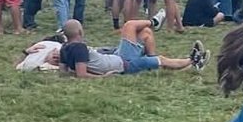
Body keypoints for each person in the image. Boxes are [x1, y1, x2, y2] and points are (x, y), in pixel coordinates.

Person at [57, 18, 207, 77]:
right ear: (80, 32)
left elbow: (64, 72)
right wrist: (103, 77)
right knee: (130, 25)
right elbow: (82, 74)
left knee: (145, 33)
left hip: (117, 58)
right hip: (124, 63)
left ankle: (191, 63)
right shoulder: (79, 48)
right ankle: (193, 61)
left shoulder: (65, 48)